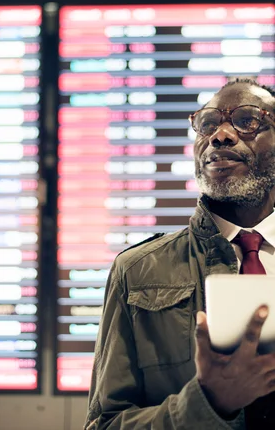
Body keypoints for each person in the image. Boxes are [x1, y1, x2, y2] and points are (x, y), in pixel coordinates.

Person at [85, 78, 275, 429]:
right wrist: (209, 404)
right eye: (207, 124)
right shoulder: (137, 271)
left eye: (248, 120)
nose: (220, 135)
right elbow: (105, 424)